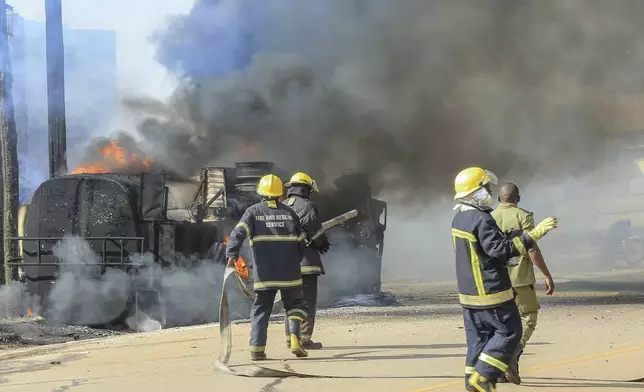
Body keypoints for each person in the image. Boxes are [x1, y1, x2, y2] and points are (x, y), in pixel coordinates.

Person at [451, 167, 558, 392]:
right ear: (475, 191)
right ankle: (484, 378)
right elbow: (501, 250)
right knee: (510, 331)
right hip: (491, 292)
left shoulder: (459, 218)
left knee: (478, 341)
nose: (489, 192)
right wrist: (533, 235)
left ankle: (473, 384)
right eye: (485, 188)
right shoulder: (481, 219)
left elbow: (482, 252)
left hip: (468, 293)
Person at [226, 174, 309, 360]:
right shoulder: (290, 213)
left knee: (261, 309)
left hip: (265, 273)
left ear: (261, 193)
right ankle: (295, 338)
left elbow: (237, 233)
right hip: (290, 271)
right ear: (280, 194)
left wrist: (232, 254)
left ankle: (257, 349)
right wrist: (296, 260)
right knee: (295, 305)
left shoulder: (253, 212)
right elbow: (301, 242)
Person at [491, 183, 555, 385]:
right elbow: (531, 248)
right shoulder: (523, 216)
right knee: (529, 317)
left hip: (497, 279)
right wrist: (546, 274)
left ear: (499, 198)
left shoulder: (488, 218)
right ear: (517, 198)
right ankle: (515, 352)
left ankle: (499, 370)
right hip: (520, 277)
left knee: (501, 323)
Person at [282, 172, 331, 350]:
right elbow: (315, 231)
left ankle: (290, 337)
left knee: (290, 301)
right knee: (307, 301)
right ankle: (304, 339)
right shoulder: (308, 206)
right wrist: (322, 243)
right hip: (306, 264)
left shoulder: (281, 205)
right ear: (306, 189)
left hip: (285, 264)